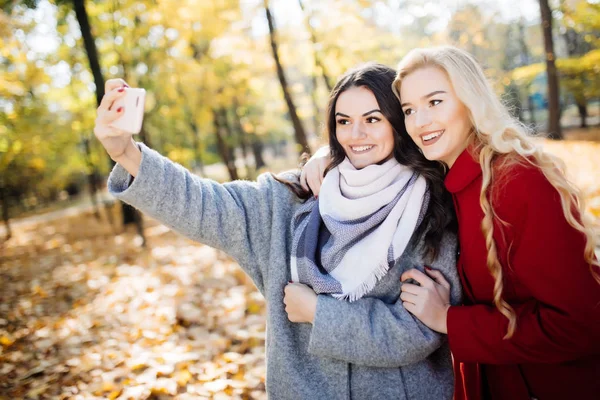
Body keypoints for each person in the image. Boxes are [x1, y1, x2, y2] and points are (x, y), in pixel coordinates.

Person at [93, 63, 461, 399]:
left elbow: (418, 332)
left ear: (398, 122)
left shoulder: (431, 208)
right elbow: (204, 204)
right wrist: (125, 152)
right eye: (343, 121)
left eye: (373, 119)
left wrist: (320, 312)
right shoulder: (291, 199)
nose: (356, 134)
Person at [301, 46, 600, 400]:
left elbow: (582, 325)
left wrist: (447, 319)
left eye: (435, 102)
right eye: (409, 110)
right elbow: (373, 147)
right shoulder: (443, 180)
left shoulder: (519, 181)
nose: (421, 121)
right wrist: (328, 156)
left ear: (470, 102)